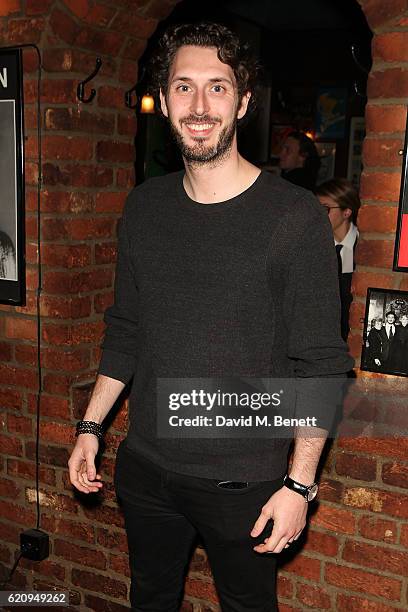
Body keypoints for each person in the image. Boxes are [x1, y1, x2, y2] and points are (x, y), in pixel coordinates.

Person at [68, 22, 352, 612]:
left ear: (243, 103)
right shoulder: (145, 206)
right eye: (184, 87)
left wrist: (299, 485)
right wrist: (90, 428)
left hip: (243, 478)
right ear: (165, 101)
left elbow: (320, 364)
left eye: (217, 88)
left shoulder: (294, 217)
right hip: (145, 468)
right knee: (149, 597)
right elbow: (126, 330)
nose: (199, 106)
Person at [315, 179, 360, 342]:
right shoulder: (313, 248)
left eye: (325, 209)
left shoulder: (365, 248)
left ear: (346, 212)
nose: (318, 215)